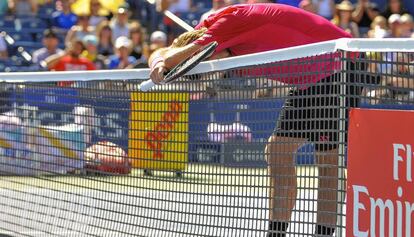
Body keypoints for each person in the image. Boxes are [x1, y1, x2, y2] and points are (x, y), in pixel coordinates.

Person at [148, 3, 360, 237]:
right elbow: (163, 53)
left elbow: (177, 56)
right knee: (278, 151)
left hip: (339, 65)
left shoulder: (225, 25)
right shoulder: (206, 29)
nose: (206, 73)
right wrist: (159, 62)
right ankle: (276, 234)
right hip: (309, 76)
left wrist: (169, 63)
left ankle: (324, 234)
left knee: (328, 159)